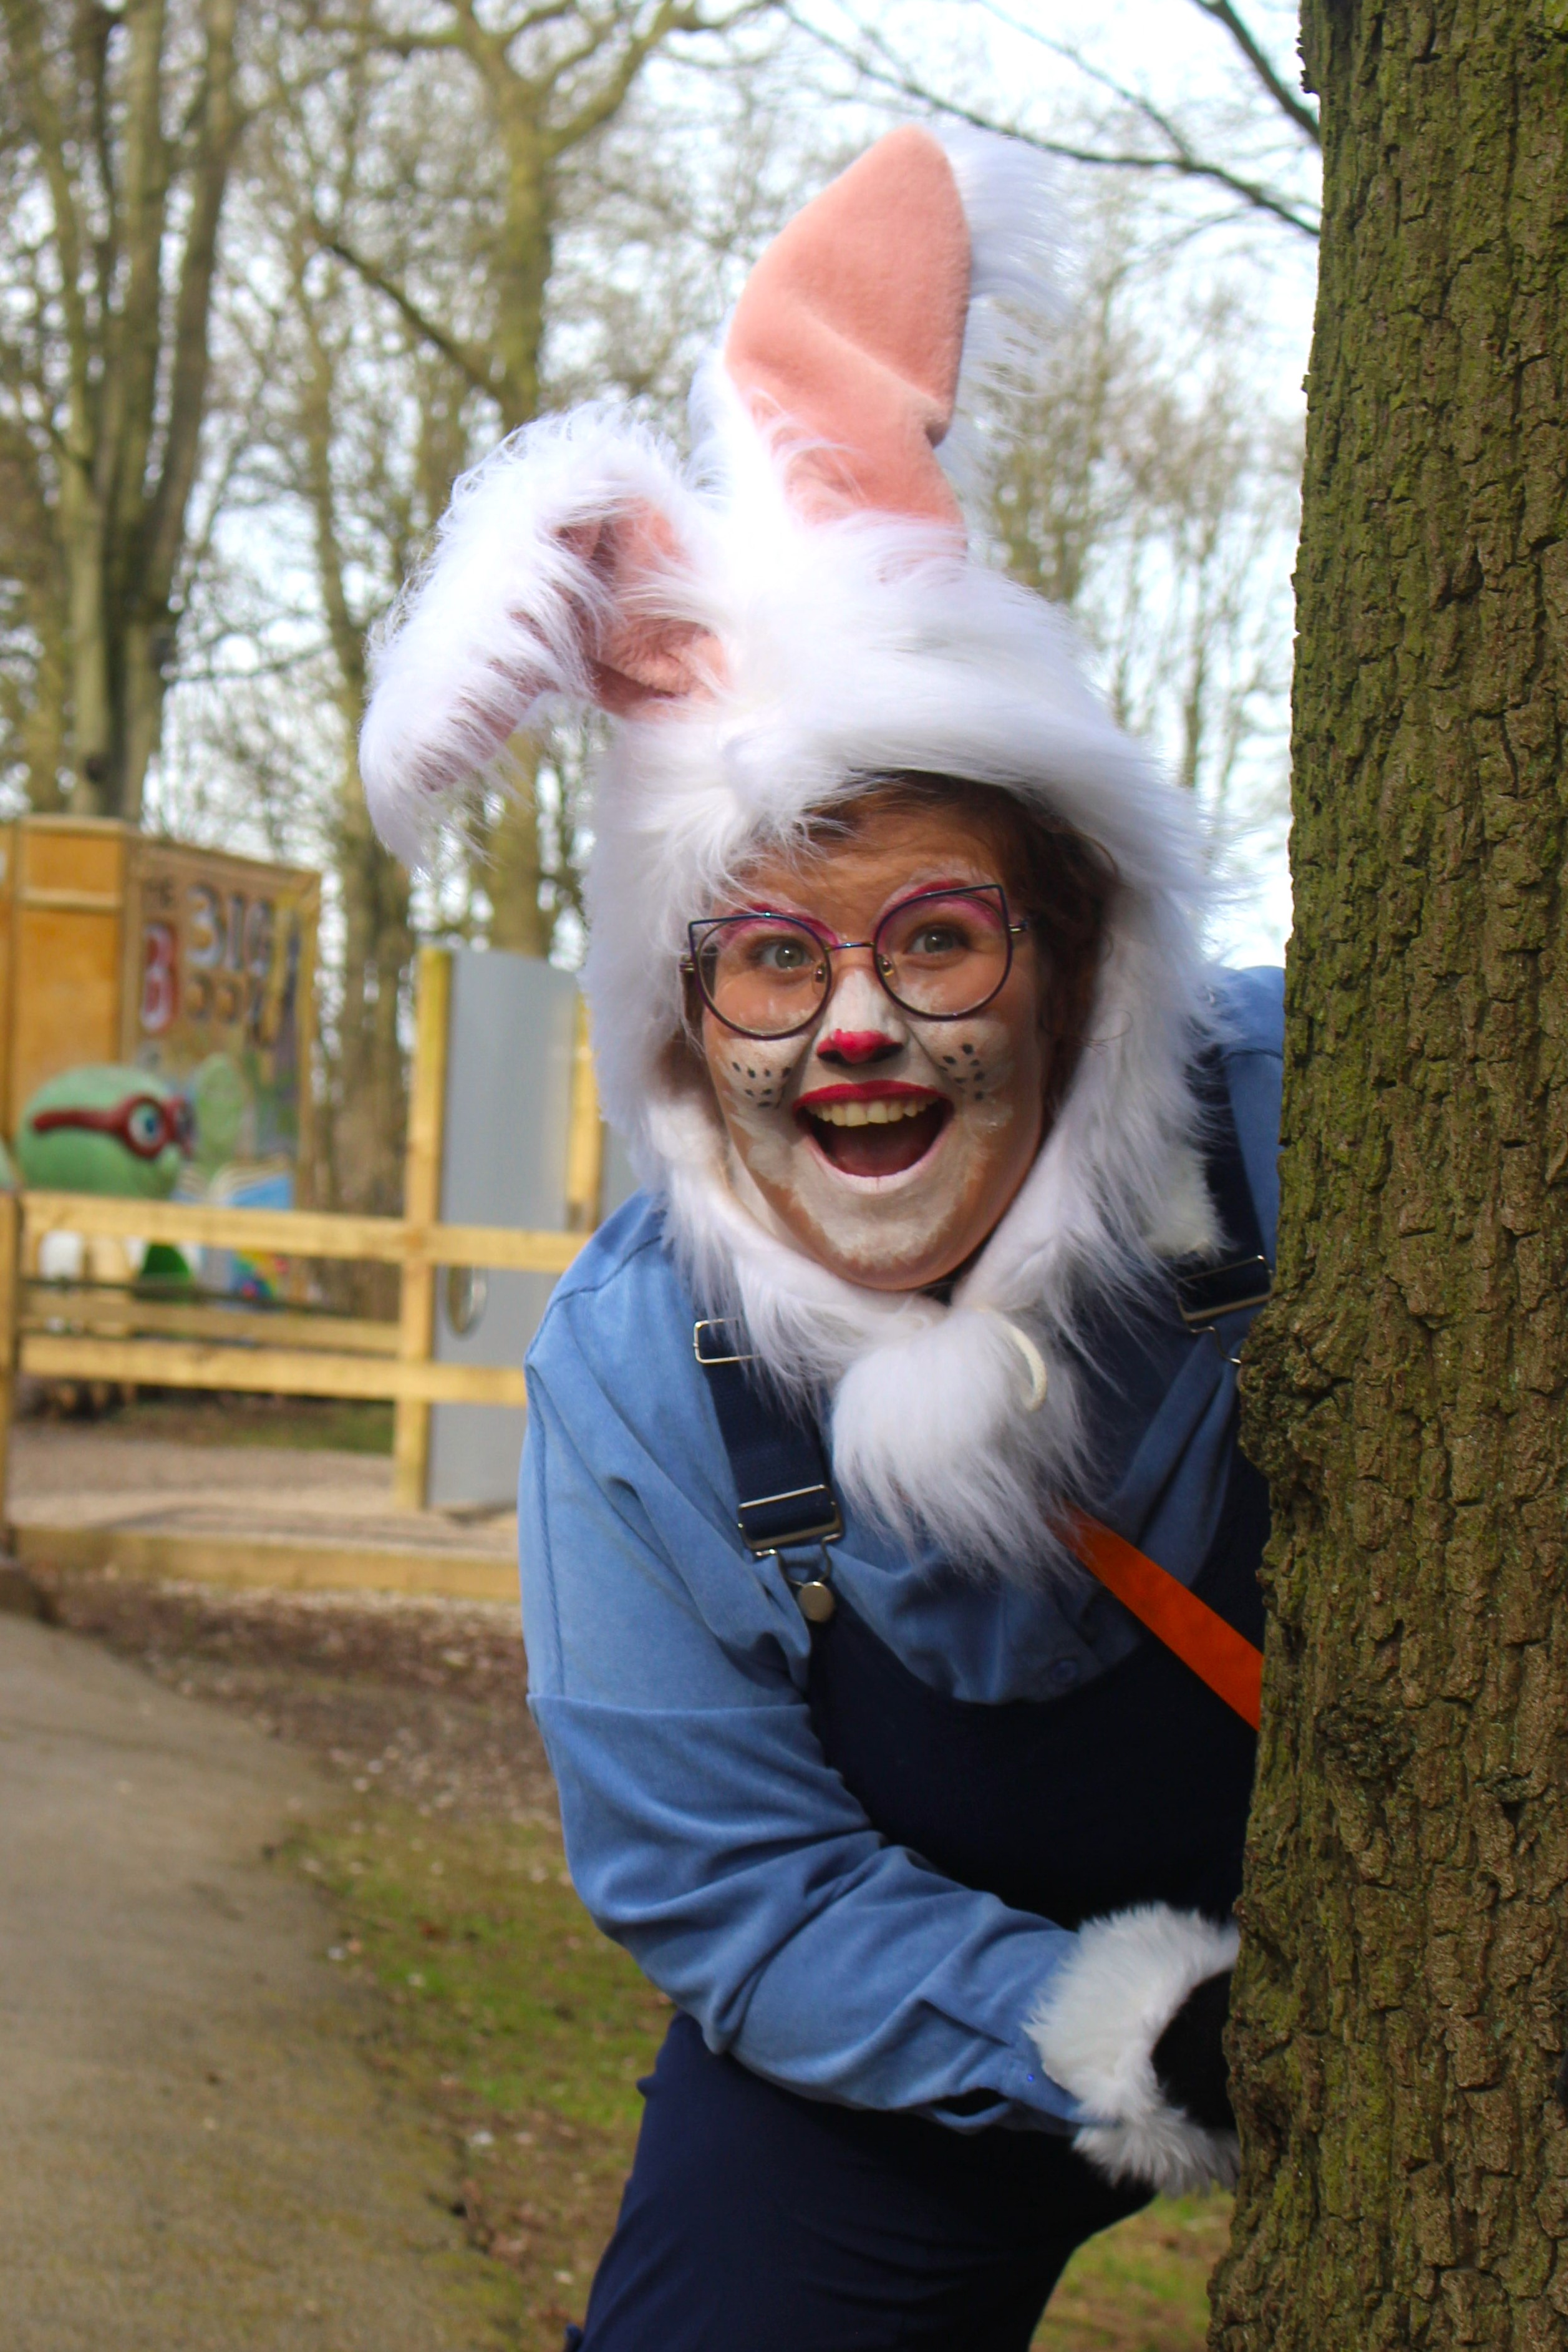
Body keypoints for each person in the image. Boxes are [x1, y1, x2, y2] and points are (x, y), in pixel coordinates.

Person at [360, 124, 1283, 2352]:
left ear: (1078, 953)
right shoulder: (628, 1370)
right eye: (768, 961)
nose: (853, 1033)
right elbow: (726, 1884)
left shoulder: (1298, 1111)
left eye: (936, 940)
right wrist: (1120, 2030)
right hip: (900, 2013)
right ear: (683, 1020)